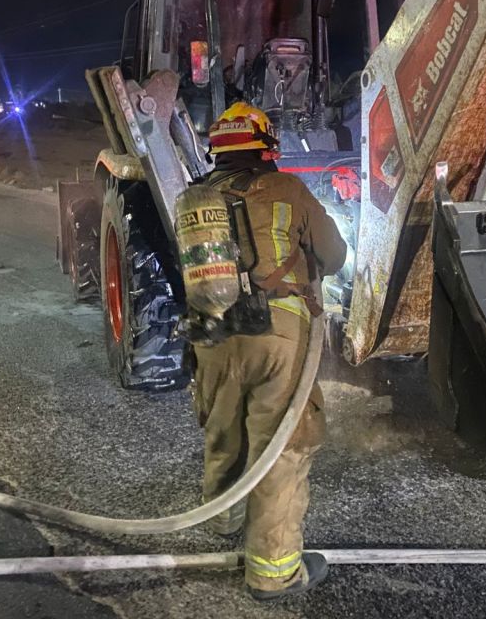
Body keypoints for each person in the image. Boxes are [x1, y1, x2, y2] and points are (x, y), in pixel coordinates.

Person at [191, 101, 347, 601]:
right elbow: (333, 256)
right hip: (278, 332)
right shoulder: (287, 189)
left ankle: (222, 519)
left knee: (223, 425)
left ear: (217, 152)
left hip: (213, 332)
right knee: (281, 446)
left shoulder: (194, 200)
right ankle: (273, 573)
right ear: (266, 149)